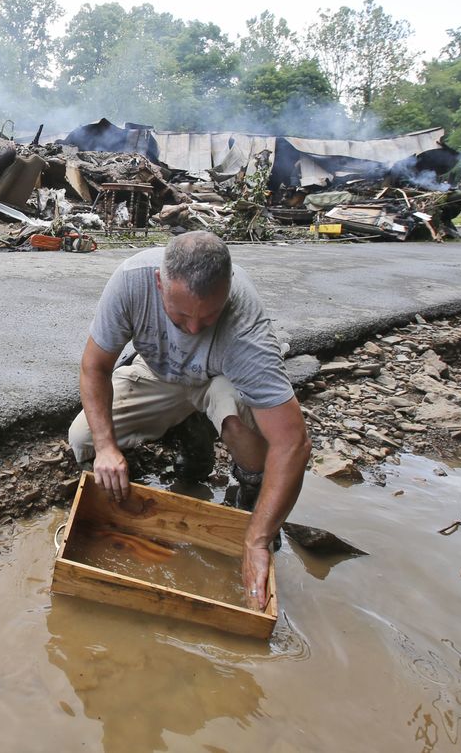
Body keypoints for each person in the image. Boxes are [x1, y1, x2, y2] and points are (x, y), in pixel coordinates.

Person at [68, 232, 311, 610]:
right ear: (159, 283)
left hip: (218, 381)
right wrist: (106, 448)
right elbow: (93, 367)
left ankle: (246, 492)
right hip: (158, 372)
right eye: (180, 315)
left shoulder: (247, 328)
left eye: (209, 316)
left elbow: (292, 443)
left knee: (251, 448)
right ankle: (185, 426)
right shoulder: (131, 282)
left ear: (228, 291)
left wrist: (257, 539)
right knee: (83, 439)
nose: (195, 329)